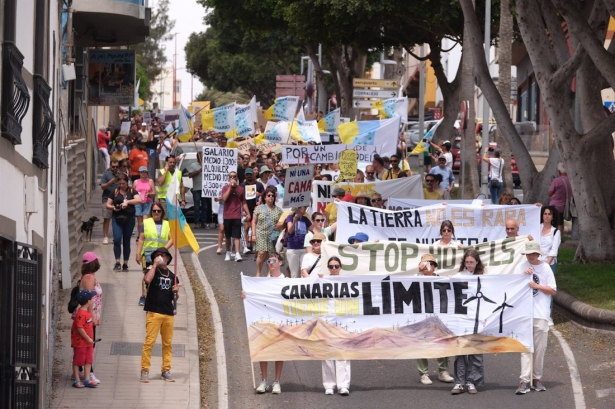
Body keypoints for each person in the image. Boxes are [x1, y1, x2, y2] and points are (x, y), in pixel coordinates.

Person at [514, 241, 557, 395]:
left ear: (538, 254)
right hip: (525, 313)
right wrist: (523, 276)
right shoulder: (521, 267)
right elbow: (513, 288)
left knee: (539, 348)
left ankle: (537, 378)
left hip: (540, 313)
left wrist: (537, 286)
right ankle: (524, 380)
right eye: (528, 254)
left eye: (533, 254)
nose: (530, 256)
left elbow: (552, 290)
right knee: (525, 347)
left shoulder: (545, 268)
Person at [244, 252, 284, 394]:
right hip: (264, 320)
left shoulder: (286, 281)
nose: (271, 263)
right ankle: (264, 380)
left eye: (273, 260)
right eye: (268, 261)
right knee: (263, 350)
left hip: (280, 321)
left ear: (280, 263)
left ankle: (277, 381)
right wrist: (246, 295)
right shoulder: (262, 281)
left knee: (279, 351)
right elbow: (254, 296)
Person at [140, 247, 180, 383]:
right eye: (157, 255)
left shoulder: (173, 276)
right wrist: (154, 265)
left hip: (168, 313)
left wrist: (176, 291)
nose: (160, 257)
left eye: (163, 255)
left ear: (168, 258)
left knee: (167, 343)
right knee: (149, 342)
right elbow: (147, 280)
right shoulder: (152, 271)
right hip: (153, 312)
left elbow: (174, 297)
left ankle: (166, 370)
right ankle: (145, 370)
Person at [415, 253, 454, 386]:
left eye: (431, 263)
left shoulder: (441, 279)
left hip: (439, 316)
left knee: (442, 342)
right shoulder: (415, 278)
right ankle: (423, 373)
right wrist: (419, 272)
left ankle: (443, 371)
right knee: (421, 344)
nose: (428, 266)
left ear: (435, 266)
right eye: (426, 263)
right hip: (421, 316)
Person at [451, 249, 486, 395]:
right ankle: (459, 382)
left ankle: (472, 382)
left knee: (474, 351)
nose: (469, 265)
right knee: (460, 350)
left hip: (476, 318)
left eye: (471, 262)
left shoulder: (484, 277)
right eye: (467, 262)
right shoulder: (459, 276)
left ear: (477, 262)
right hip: (461, 318)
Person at [321, 256, 351, 395]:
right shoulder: (322, 281)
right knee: (327, 353)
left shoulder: (347, 282)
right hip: (326, 321)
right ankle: (329, 384)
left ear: (340, 267)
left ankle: (343, 384)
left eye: (336, 266)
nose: (334, 269)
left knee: (342, 353)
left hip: (342, 322)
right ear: (328, 268)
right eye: (331, 266)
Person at [136, 202, 173, 306]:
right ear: (151, 212)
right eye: (154, 211)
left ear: (162, 212)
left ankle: (155, 295)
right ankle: (144, 296)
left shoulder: (167, 224)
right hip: (148, 255)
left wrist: (163, 250)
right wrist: (138, 253)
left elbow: (172, 239)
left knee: (159, 275)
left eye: (158, 211)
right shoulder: (146, 223)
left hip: (162, 256)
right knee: (147, 275)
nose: (156, 213)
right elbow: (141, 239)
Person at [74, 252, 103, 385]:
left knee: (85, 343)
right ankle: (88, 373)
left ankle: (82, 371)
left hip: (87, 314)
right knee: (88, 343)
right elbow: (89, 298)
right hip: (88, 316)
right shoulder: (90, 278)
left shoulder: (87, 276)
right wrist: (91, 317)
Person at [106, 174, 142, 271]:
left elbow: (139, 199)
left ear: (127, 182)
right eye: (120, 183)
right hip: (117, 218)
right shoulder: (115, 192)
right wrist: (114, 207)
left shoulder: (131, 191)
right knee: (117, 240)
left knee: (126, 241)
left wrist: (127, 202)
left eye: (124, 183)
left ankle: (125, 263)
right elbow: (107, 204)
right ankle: (117, 262)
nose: (122, 185)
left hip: (129, 219)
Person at [252, 187, 283, 277]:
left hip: (272, 236)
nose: (271, 197)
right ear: (265, 197)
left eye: (272, 196)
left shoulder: (278, 210)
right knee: (261, 254)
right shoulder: (259, 208)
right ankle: (258, 273)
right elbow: (254, 222)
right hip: (261, 233)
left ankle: (269, 274)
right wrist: (253, 235)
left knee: (270, 256)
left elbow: (281, 223)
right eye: (268, 195)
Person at [221, 171, 251, 262]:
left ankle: (237, 253)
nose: (233, 178)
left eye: (234, 176)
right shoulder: (225, 188)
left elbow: (244, 202)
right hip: (227, 215)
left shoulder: (241, 189)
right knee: (228, 236)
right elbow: (224, 198)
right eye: (231, 176)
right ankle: (228, 252)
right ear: (228, 178)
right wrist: (230, 187)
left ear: (237, 178)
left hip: (237, 215)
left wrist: (248, 212)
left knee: (237, 235)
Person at [71, 290, 98, 388]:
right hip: (80, 343)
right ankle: (77, 379)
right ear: (88, 302)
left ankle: (87, 379)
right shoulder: (81, 314)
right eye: (91, 298)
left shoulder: (86, 313)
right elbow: (79, 327)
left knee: (88, 360)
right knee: (78, 361)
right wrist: (88, 338)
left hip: (88, 343)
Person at [241, 168, 265, 254]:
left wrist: (260, 194)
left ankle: (254, 245)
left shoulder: (259, 185)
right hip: (246, 208)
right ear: (245, 175)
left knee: (255, 227)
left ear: (254, 175)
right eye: (247, 175)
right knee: (246, 227)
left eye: (250, 174)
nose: (249, 176)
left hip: (256, 208)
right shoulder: (242, 185)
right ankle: (247, 245)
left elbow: (265, 194)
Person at [285, 206, 313, 278]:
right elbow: (290, 231)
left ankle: (303, 288)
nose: (306, 208)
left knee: (304, 270)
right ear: (299, 207)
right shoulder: (290, 217)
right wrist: (294, 221)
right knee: (294, 273)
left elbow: (314, 230)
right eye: (304, 207)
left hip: (303, 248)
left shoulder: (305, 219)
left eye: (306, 207)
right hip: (293, 248)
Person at [548, 163, 573, 234]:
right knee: (561, 222)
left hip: (555, 205)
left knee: (554, 222)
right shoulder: (571, 180)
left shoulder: (556, 181)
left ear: (559, 171)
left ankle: (554, 236)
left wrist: (551, 185)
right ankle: (560, 237)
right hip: (566, 205)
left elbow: (549, 193)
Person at [100, 159, 120, 244]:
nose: (115, 168)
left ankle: (117, 236)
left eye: (117, 167)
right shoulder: (106, 174)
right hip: (107, 199)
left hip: (118, 200)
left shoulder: (120, 174)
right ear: (110, 166)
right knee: (107, 218)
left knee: (118, 219)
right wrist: (111, 182)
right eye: (113, 167)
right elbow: (103, 187)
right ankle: (105, 237)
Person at [186, 153, 207, 229]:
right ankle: (197, 222)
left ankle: (203, 222)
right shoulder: (193, 165)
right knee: (197, 206)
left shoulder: (207, 165)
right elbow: (190, 175)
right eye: (201, 157)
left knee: (205, 206)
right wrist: (199, 171)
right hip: (196, 189)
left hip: (205, 189)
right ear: (198, 157)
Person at [134, 166, 156, 237]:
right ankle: (140, 235)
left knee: (145, 221)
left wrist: (149, 194)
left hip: (147, 203)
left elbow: (154, 193)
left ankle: (145, 235)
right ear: (139, 173)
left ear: (147, 173)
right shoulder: (136, 182)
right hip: (138, 203)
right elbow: (132, 192)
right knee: (139, 222)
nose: (143, 174)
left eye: (144, 172)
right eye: (141, 172)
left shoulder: (150, 181)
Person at [539, 206, 561, 273]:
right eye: (545, 214)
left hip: (549, 263)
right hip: (535, 262)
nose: (547, 216)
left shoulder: (556, 232)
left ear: (552, 217)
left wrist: (546, 265)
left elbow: (554, 251)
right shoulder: (536, 228)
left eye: (549, 214)